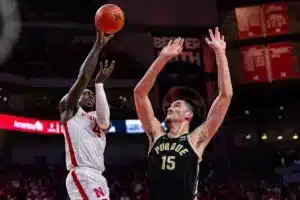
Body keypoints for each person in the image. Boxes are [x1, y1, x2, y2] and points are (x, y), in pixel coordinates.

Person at [134, 27, 233, 200]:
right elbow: (139, 93)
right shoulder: (156, 136)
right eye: (171, 106)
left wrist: (220, 53)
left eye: (177, 105)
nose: (171, 107)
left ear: (189, 115)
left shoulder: (196, 139)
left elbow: (225, 96)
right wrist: (162, 58)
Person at [58, 30, 115, 200]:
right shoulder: (69, 109)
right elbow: (83, 77)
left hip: (99, 176)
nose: (90, 96)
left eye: (92, 95)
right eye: (86, 94)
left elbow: (105, 122)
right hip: (82, 173)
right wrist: (98, 46)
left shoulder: (96, 118)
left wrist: (99, 85)